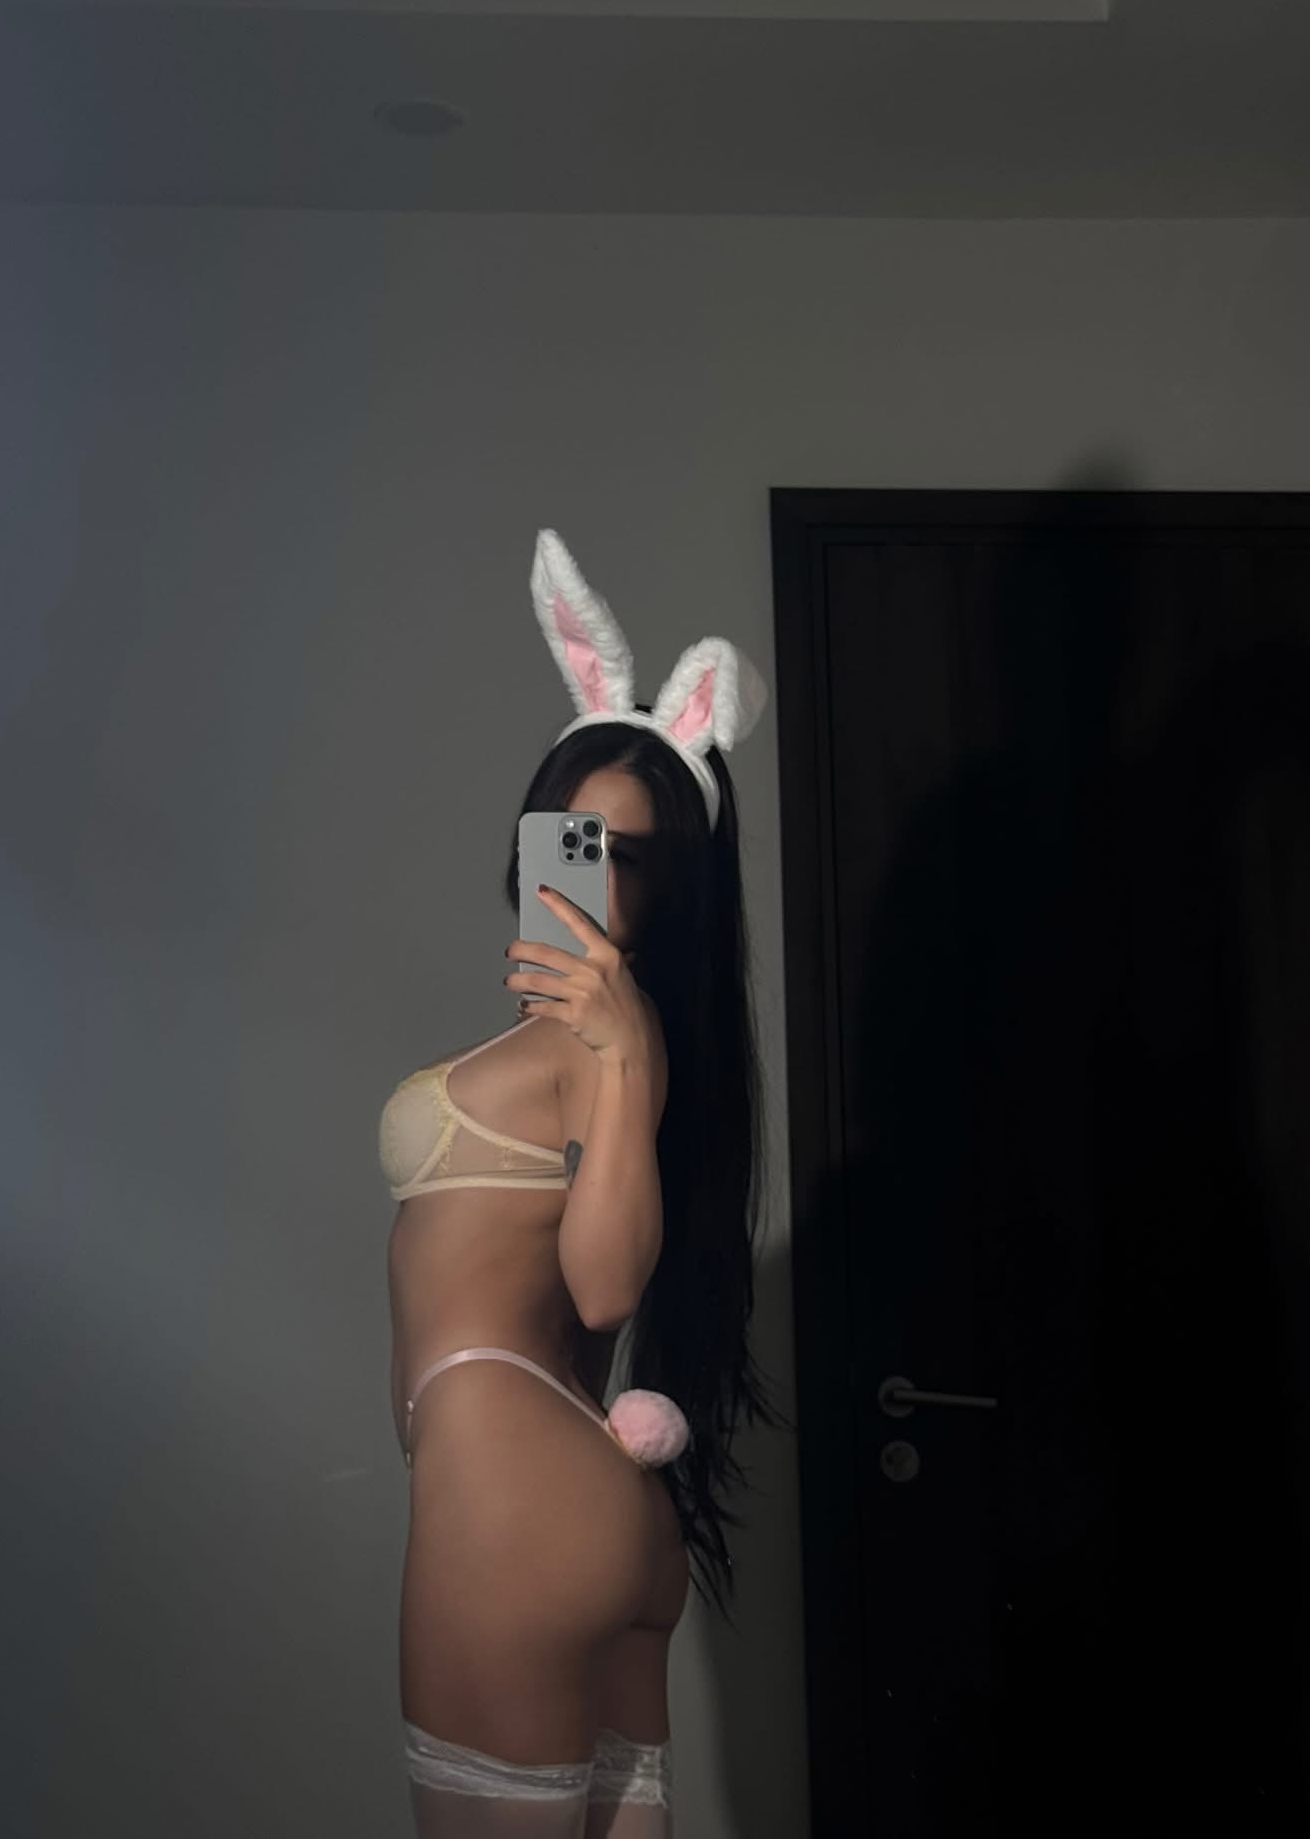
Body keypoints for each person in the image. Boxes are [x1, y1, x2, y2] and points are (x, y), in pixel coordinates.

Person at [379, 530, 790, 1835]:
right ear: (537, 830)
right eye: (577, 838)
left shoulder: (609, 1040)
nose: (596, 875)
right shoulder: (596, 1040)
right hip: (589, 1498)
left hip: (507, 1497)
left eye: (634, 857)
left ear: (676, 890)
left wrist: (622, 1056)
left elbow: (607, 1284)